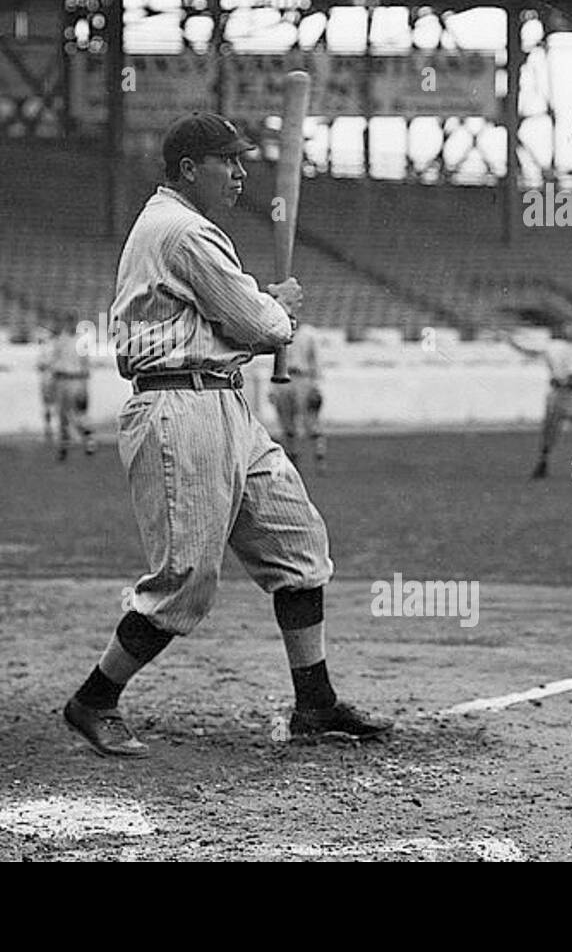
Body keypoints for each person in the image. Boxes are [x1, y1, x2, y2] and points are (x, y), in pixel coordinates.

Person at [62, 111, 393, 757]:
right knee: (183, 580)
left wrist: (265, 310)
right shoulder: (182, 230)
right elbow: (258, 323)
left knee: (298, 542)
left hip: (223, 404)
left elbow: (229, 320)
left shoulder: (185, 231)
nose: (241, 173)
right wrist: (281, 309)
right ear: (190, 169)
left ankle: (314, 704)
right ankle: (95, 698)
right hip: (179, 409)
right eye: (229, 162)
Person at [504, 321, 572, 482]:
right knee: (549, 434)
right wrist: (512, 342)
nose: (570, 331)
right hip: (557, 397)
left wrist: (566, 380)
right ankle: (542, 466)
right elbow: (532, 351)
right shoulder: (555, 347)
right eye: (568, 328)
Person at [267, 326, 326, 471]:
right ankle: (293, 459)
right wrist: (273, 388)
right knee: (286, 422)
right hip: (284, 378)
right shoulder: (280, 333)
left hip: (303, 377)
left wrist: (316, 385)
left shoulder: (308, 334)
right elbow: (276, 362)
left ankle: (320, 457)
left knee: (310, 420)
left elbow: (315, 360)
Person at [48, 313, 95, 461]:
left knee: (78, 414)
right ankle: (63, 446)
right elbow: (54, 362)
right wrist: (52, 383)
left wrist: (84, 385)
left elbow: (85, 364)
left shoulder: (81, 341)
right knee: (62, 415)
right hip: (62, 379)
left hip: (76, 379)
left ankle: (88, 440)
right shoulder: (60, 340)